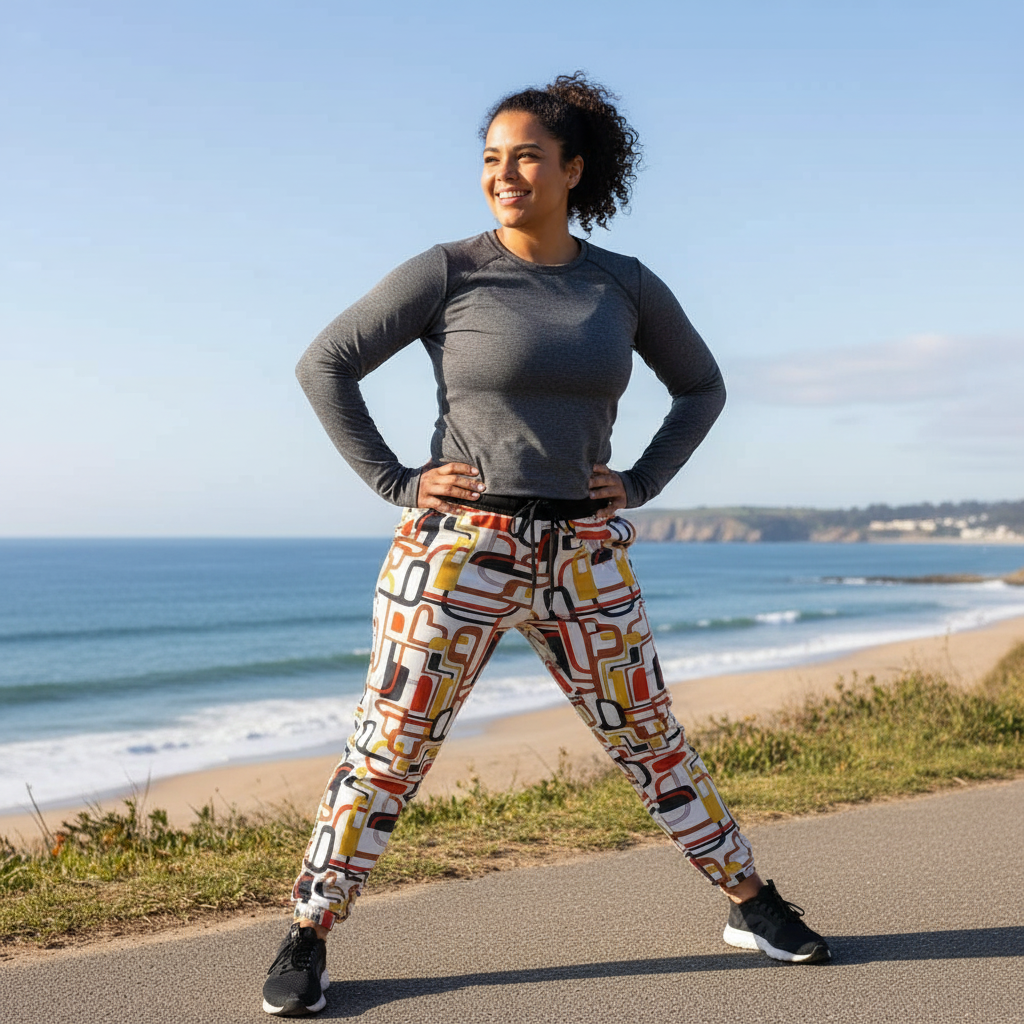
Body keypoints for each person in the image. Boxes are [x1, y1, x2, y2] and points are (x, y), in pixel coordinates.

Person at [262, 72, 830, 1017]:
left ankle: (749, 902)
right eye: (491, 158)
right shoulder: (448, 270)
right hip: (458, 550)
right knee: (390, 747)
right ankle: (308, 934)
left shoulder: (624, 284)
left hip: (585, 554)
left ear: (573, 167)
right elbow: (325, 364)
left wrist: (641, 483)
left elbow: (702, 389)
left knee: (651, 738)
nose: (505, 173)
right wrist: (397, 482)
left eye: (526, 155)